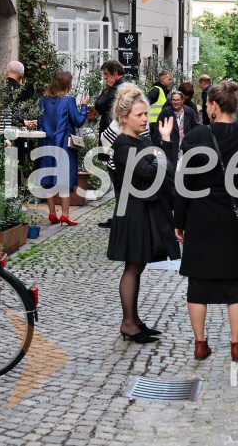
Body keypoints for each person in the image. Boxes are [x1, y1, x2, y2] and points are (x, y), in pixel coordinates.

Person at [174, 82, 238, 361]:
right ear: (234, 106)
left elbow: (183, 184)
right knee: (236, 282)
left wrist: (180, 220)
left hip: (199, 215)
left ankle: (200, 344)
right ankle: (236, 345)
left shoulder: (194, 137)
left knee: (197, 284)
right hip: (231, 217)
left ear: (212, 106)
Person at [107, 84, 180, 344]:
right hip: (134, 213)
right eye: (139, 115)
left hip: (143, 210)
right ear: (124, 117)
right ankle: (128, 323)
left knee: (137, 266)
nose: (144, 119)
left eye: (145, 114)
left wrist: (166, 143)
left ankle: (134, 320)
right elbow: (151, 174)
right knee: (134, 266)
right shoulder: (124, 146)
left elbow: (168, 167)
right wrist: (158, 157)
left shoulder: (142, 140)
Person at [36, 72, 89, 226]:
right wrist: (84, 105)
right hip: (63, 144)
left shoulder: (43, 101)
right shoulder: (68, 101)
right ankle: (65, 215)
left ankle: (52, 213)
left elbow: (40, 122)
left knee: (49, 177)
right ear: (66, 84)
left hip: (46, 142)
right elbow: (78, 121)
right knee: (64, 179)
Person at [95, 60, 129, 229]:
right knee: (119, 180)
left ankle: (121, 218)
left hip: (115, 139)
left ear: (115, 73)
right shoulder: (125, 86)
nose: (104, 77)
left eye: (106, 74)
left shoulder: (117, 89)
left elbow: (99, 106)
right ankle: (120, 216)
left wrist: (107, 90)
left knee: (118, 180)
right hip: (118, 139)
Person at [153, 90, 199, 168]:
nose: (175, 102)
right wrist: (161, 141)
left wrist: (192, 139)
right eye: (173, 100)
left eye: (178, 100)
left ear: (182, 100)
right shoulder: (166, 112)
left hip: (185, 146)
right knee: (172, 168)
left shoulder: (189, 112)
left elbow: (195, 126)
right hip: (171, 146)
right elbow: (157, 128)